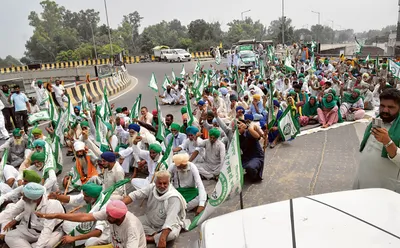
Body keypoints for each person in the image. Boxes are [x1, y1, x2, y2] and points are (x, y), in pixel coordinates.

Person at [36, 200, 146, 248]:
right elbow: (84, 217)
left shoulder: (131, 227)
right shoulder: (110, 213)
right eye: (106, 214)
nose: (106, 217)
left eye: (109, 216)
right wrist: (56, 215)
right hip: (115, 245)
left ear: (119, 217)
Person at [123, 170, 188, 247]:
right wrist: (119, 205)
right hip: (149, 220)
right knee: (130, 223)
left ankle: (151, 238)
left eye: (165, 183)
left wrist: (162, 238)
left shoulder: (173, 197)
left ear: (169, 183)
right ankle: (154, 234)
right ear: (155, 182)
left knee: (172, 234)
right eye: (160, 183)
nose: (162, 186)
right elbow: (135, 195)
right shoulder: (151, 188)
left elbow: (170, 220)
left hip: (166, 224)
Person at [354, 88, 400, 190]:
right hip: (363, 178)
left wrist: (388, 142)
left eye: (391, 107)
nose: (385, 110)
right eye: (382, 106)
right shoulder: (377, 121)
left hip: (385, 186)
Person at [48, 182, 111, 247]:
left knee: (89, 243)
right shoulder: (91, 197)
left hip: (104, 233)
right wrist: (57, 197)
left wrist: (74, 238)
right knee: (66, 224)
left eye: (86, 196)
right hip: (92, 224)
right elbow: (71, 199)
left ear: (93, 197)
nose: (84, 198)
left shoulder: (103, 207)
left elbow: (98, 232)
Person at [4, 183, 65, 248]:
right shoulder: (27, 199)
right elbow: (14, 211)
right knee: (9, 236)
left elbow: (47, 229)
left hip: (51, 232)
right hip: (31, 231)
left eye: (25, 197)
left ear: (35, 199)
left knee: (46, 245)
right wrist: (14, 220)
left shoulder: (52, 204)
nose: (23, 199)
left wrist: (38, 246)